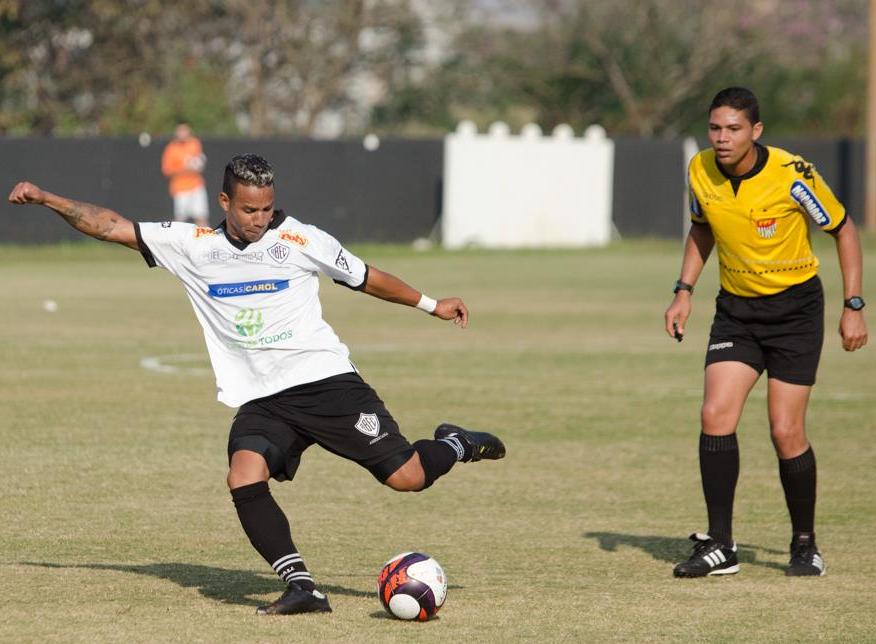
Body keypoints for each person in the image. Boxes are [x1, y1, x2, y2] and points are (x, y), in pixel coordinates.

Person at [8, 153, 506, 615]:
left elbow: (367, 277)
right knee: (244, 475)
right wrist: (48, 199)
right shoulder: (192, 246)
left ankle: (455, 444)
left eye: (267, 208)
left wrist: (430, 304)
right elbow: (109, 225)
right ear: (225, 202)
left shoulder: (302, 239)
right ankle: (303, 587)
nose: (259, 219)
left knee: (408, 478)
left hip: (326, 383)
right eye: (248, 209)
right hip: (264, 399)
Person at [664, 87, 868, 578]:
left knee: (785, 430)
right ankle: (721, 545)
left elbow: (843, 229)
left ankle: (804, 542)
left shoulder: (792, 176)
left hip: (795, 312)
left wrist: (854, 305)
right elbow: (702, 228)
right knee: (715, 413)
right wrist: (684, 290)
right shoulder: (700, 169)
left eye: (733, 129)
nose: (722, 138)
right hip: (736, 310)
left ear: (756, 131)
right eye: (715, 128)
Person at [161, 121, 210, 227]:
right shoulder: (171, 148)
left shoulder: (194, 143)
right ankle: (177, 242)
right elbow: (167, 170)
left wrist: (198, 165)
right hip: (181, 188)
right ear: (176, 132)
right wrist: (184, 168)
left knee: (202, 217)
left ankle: (205, 241)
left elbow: (199, 162)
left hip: (196, 186)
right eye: (180, 130)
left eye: (185, 130)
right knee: (180, 220)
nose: (183, 133)